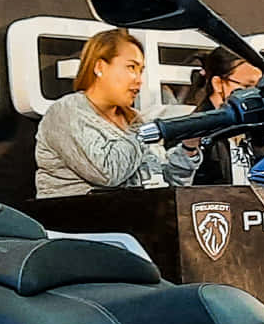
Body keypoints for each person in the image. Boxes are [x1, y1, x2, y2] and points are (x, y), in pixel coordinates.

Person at [35, 28, 201, 198]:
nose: (139, 80)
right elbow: (108, 173)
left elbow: (165, 185)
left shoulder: (136, 119)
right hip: (78, 214)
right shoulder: (67, 112)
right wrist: (145, 134)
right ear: (100, 67)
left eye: (140, 70)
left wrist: (188, 148)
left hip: (138, 213)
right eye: (131, 67)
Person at [180, 46, 264, 186]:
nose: (255, 94)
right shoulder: (192, 130)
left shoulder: (257, 129)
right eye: (247, 86)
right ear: (218, 84)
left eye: (259, 88)